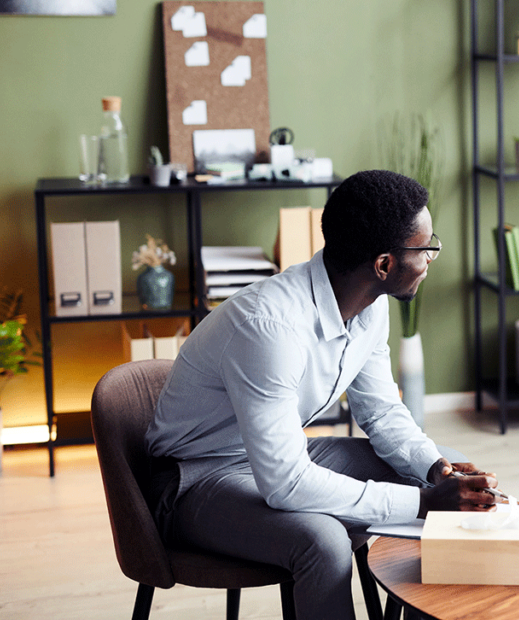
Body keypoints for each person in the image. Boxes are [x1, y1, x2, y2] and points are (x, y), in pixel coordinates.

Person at [145, 170, 499, 620]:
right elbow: (286, 483)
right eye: (425, 248)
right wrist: (424, 502)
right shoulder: (270, 326)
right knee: (326, 543)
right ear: (385, 264)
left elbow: (382, 411)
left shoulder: (371, 309)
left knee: (442, 465)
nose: (431, 258)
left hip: (269, 459)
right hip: (194, 480)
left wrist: (434, 470)